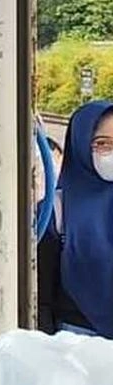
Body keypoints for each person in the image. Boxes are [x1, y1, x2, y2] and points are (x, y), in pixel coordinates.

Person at [38, 101, 113, 339]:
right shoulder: (56, 210)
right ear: (80, 145)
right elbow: (40, 298)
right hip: (75, 349)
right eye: (102, 143)